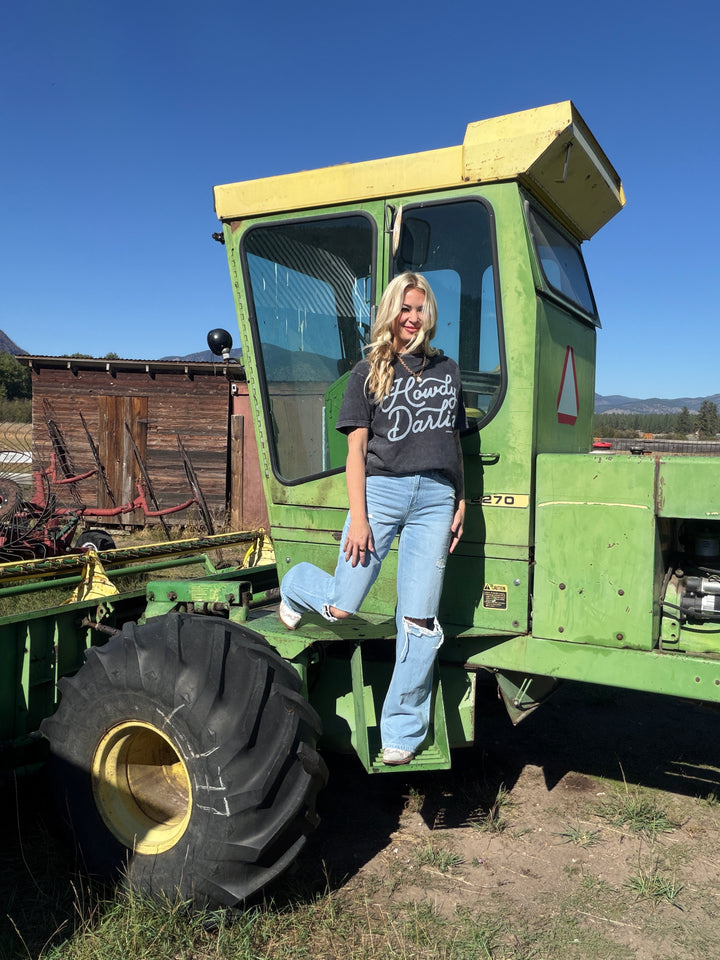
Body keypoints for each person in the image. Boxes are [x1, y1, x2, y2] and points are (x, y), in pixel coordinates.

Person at [279, 272, 466, 765]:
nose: (413, 317)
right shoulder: (368, 370)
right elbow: (356, 451)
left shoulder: (448, 370)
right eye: (405, 308)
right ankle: (297, 584)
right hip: (380, 495)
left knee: (420, 620)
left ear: (430, 314)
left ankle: (402, 730)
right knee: (343, 604)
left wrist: (460, 496)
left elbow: (453, 441)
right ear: (391, 312)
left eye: (420, 308)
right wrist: (358, 516)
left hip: (435, 498)